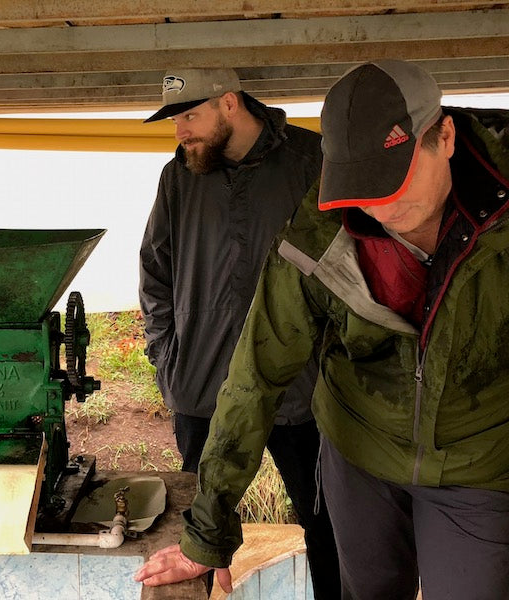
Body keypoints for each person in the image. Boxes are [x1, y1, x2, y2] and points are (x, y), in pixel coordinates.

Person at [135, 59, 509, 599]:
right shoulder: (318, 230)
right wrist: (206, 532)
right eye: (361, 187)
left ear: (444, 136)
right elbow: (254, 375)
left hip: (480, 464)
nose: (378, 206)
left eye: (393, 180)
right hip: (358, 449)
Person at [138, 68, 340, 597]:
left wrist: (329, 363)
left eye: (189, 115)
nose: (180, 131)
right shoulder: (178, 176)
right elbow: (154, 272)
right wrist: (168, 357)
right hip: (202, 389)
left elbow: (348, 266)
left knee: (328, 527)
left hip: (299, 391)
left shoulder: (312, 161)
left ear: (229, 103)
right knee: (199, 538)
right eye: (175, 120)